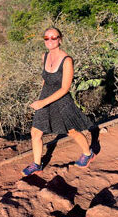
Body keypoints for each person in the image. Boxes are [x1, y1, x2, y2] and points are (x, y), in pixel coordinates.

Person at [22, 27, 95, 176]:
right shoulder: (44, 56)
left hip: (61, 100)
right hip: (45, 97)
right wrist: (41, 98)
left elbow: (64, 88)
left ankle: (88, 153)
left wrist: (43, 103)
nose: (50, 40)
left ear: (60, 39)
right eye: (46, 38)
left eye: (53, 37)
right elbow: (45, 80)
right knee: (36, 132)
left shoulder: (67, 60)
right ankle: (37, 164)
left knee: (72, 131)